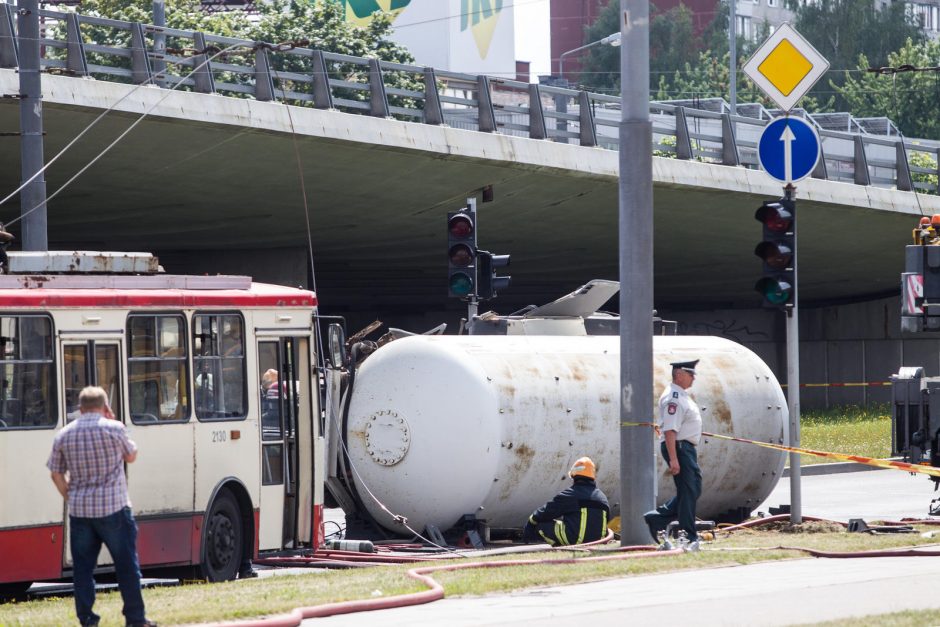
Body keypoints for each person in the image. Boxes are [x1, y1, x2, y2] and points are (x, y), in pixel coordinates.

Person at [46, 386, 157, 627]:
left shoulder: (64, 434)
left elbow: (55, 473)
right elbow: (131, 456)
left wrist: (70, 496)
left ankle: (88, 620)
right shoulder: (114, 428)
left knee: (83, 571)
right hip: (114, 508)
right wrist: (114, 420)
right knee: (127, 566)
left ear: (80, 407)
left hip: (80, 512)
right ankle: (135, 619)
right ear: (104, 406)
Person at [644, 359, 704, 549]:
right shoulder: (674, 398)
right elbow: (670, 430)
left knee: (692, 489)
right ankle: (688, 535)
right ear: (679, 374)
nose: (693, 378)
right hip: (678, 447)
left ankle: (658, 518)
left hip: (684, 448)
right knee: (689, 490)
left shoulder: (681, 395)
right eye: (690, 374)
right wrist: (674, 459)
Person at [522, 457, 610, 546]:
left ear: (574, 476)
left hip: (575, 541)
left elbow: (545, 512)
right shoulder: (602, 498)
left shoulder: (571, 495)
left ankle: (559, 546)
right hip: (598, 543)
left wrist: (530, 523)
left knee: (541, 525)